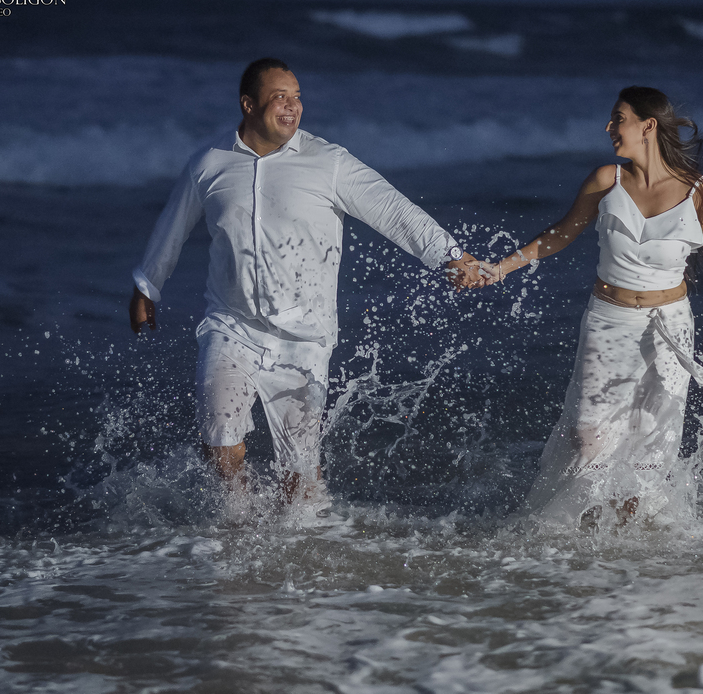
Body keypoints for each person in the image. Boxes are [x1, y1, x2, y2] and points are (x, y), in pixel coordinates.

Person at [129, 58, 482, 508]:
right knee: (218, 440)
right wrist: (147, 287)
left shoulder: (328, 162)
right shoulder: (209, 163)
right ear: (248, 104)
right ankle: (239, 524)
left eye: (297, 97)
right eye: (280, 97)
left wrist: (449, 255)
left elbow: (392, 209)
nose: (293, 107)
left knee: (298, 471)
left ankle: (302, 541)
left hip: (305, 338)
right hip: (230, 324)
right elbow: (172, 227)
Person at [478, 86, 703, 525]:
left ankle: (627, 533)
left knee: (652, 437)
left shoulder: (697, 193)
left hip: (670, 326)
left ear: (647, 125)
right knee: (589, 436)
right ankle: (577, 522)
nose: (609, 128)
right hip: (608, 319)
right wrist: (501, 268)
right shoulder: (608, 179)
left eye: (618, 118)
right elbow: (561, 233)